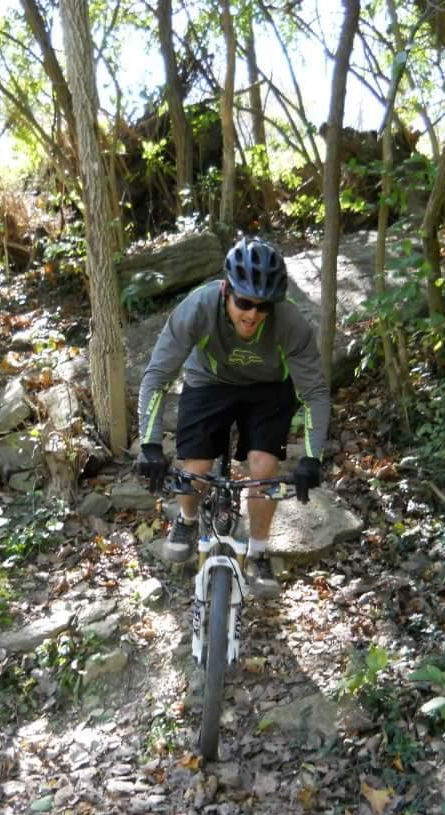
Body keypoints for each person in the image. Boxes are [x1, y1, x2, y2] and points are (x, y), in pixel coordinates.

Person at [136, 236, 330, 598]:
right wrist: (148, 444)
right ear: (226, 291)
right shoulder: (198, 307)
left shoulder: (290, 323)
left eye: (263, 307)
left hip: (269, 388)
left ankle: (258, 552)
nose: (252, 314)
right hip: (208, 381)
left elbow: (315, 392)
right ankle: (187, 520)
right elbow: (157, 376)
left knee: (263, 470)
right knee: (196, 464)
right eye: (243, 302)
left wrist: (311, 458)